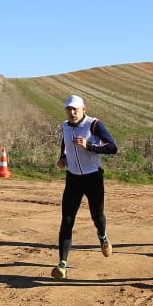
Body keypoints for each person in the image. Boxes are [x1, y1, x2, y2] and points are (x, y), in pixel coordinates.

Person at [51, 95, 118, 279]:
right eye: (68, 109)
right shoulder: (65, 126)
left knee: (97, 216)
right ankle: (62, 264)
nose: (72, 113)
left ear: (83, 109)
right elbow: (65, 144)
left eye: (75, 109)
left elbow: (113, 147)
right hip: (73, 179)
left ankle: (102, 236)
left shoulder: (93, 124)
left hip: (93, 178)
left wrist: (89, 145)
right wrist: (63, 158)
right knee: (67, 220)